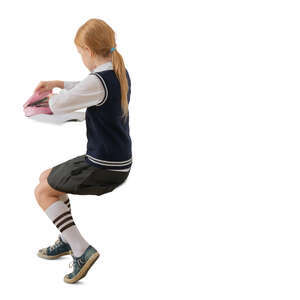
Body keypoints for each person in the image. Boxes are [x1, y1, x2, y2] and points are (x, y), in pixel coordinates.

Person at [33, 18, 132, 284]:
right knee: (47, 176)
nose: (81, 58)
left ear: (88, 50)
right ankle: (67, 239)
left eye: (80, 52)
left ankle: (81, 249)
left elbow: (60, 105)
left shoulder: (99, 80)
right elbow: (85, 85)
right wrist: (59, 82)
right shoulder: (118, 71)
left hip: (104, 167)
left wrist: (39, 102)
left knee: (42, 190)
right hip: (114, 160)